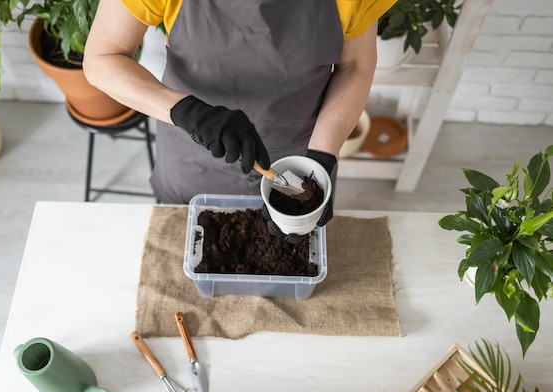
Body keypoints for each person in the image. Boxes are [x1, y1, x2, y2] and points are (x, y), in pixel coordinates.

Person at [84, 0, 396, 238]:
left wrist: (320, 160)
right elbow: (103, 58)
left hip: (298, 150)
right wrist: (189, 111)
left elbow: (354, 65)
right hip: (192, 149)